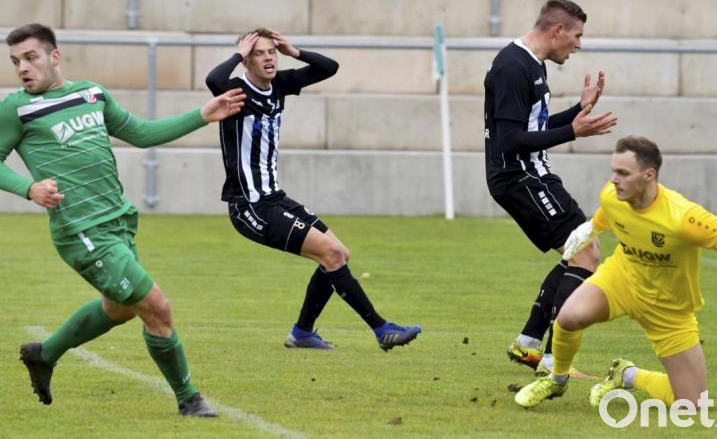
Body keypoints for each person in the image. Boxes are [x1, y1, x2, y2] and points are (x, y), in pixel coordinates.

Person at [0, 23, 247, 417]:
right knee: (156, 306)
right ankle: (189, 399)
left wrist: (204, 114)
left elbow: (142, 133)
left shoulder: (92, 93)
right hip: (80, 230)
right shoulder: (17, 108)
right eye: (15, 62)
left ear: (54, 56)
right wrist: (28, 188)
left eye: (30, 57)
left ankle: (44, 354)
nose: (22, 68)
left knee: (119, 308)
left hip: (118, 221)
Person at [515, 136, 717, 408]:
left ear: (649, 175)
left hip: (669, 308)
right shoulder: (611, 194)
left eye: (623, 173)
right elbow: (609, 212)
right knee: (569, 317)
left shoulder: (683, 218)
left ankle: (627, 375)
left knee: (692, 405)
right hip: (622, 280)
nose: (614, 179)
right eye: (613, 170)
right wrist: (591, 228)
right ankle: (556, 380)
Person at [205, 28, 421, 351]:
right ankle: (381, 329)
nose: (268, 58)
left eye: (271, 52)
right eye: (260, 53)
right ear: (247, 61)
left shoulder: (280, 85)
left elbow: (329, 68)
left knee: (338, 253)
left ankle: (302, 332)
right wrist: (238, 53)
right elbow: (213, 80)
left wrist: (294, 52)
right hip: (248, 205)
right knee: (331, 254)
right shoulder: (235, 91)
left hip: (275, 197)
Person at [483, 0, 617, 373]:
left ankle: (530, 344)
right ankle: (549, 359)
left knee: (582, 253)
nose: (578, 44)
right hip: (520, 177)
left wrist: (578, 110)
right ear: (557, 30)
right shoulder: (513, 66)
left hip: (533, 174)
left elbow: (531, 128)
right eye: (576, 36)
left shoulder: (531, 63)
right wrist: (573, 131)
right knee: (586, 256)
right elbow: (510, 140)